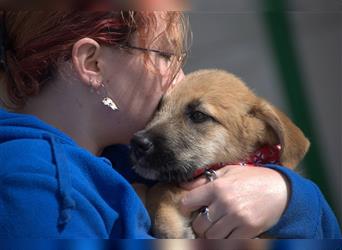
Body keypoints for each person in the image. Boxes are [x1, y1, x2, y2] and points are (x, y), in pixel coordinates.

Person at [0, 10, 340, 239]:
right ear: (93, 63)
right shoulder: (39, 188)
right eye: (165, 55)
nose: (179, 79)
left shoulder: (116, 163)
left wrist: (288, 199)